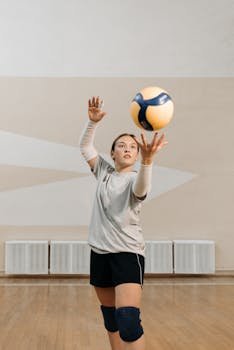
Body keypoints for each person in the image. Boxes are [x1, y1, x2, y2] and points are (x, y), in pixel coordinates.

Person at [79, 96, 168, 350]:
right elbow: (85, 148)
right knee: (112, 320)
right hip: (100, 253)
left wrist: (148, 163)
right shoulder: (104, 172)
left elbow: (141, 189)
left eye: (132, 146)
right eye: (121, 145)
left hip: (128, 254)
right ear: (112, 153)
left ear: (138, 154)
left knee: (128, 321)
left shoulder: (135, 180)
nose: (127, 148)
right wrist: (92, 123)